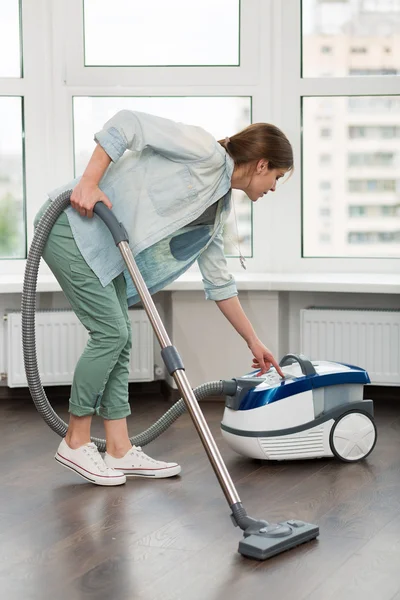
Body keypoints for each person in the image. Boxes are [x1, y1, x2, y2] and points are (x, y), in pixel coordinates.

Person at [34, 110, 293, 487]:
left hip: (107, 250)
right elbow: (128, 123)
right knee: (112, 334)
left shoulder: (217, 210)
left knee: (122, 338)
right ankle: (75, 440)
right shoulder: (203, 150)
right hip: (73, 228)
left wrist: (253, 341)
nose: (273, 187)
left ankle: (119, 449)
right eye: (277, 177)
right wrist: (89, 182)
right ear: (261, 164)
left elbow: (219, 281)